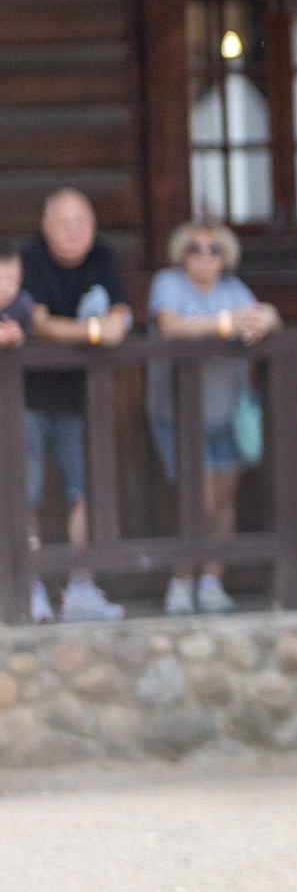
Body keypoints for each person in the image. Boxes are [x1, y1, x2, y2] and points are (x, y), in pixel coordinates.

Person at [145, 220, 279, 614]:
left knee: (224, 495)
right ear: (181, 255)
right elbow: (169, 324)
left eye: (213, 249)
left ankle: (211, 580)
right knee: (195, 497)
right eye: (195, 248)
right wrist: (226, 324)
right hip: (177, 413)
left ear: (226, 257)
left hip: (226, 410)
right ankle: (181, 581)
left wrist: (266, 318)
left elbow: (267, 317)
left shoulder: (234, 290)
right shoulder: (168, 283)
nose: (204, 256)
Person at [18, 188, 132, 622]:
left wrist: (100, 329)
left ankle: (80, 588)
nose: (73, 231)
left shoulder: (102, 256)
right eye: (64, 223)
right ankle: (30, 587)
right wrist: (91, 332)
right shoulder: (30, 258)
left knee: (85, 490)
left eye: (81, 222)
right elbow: (38, 322)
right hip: (27, 399)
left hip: (81, 402)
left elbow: (121, 319)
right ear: (46, 228)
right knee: (25, 495)